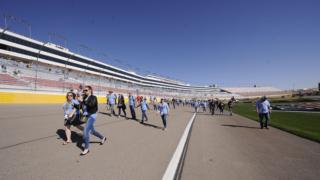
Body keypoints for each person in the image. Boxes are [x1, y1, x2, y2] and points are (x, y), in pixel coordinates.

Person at [80, 86, 107, 155]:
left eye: (86, 90)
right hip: (85, 116)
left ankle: (86, 148)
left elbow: (92, 105)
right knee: (92, 131)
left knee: (85, 131)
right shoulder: (84, 97)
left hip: (92, 115)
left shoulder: (93, 97)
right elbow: (80, 107)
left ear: (90, 90)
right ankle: (103, 137)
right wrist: (77, 102)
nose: (84, 91)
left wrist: (83, 101)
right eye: (84, 90)